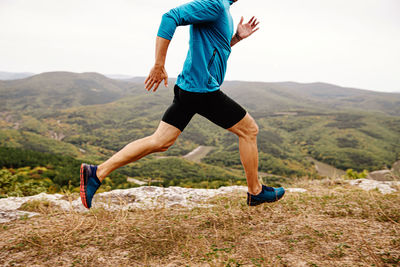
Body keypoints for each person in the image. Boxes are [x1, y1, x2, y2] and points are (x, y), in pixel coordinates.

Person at [80, 0, 285, 209]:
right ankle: (256, 191)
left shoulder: (222, 9)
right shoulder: (214, 4)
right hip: (202, 91)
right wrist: (159, 65)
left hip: (190, 87)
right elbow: (170, 17)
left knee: (160, 141)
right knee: (249, 130)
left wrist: (236, 38)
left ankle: (96, 173)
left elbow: (214, 48)